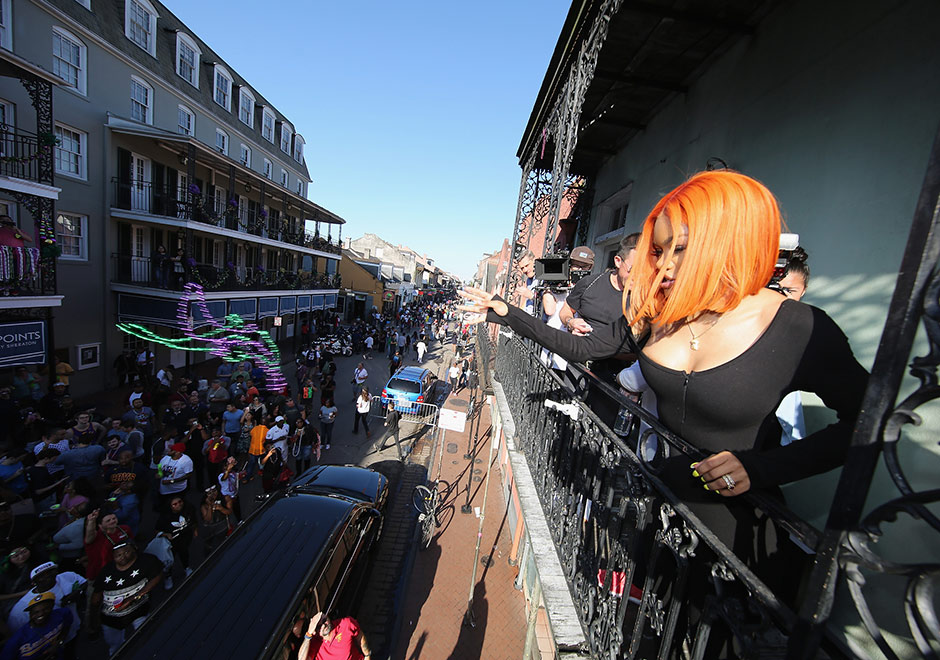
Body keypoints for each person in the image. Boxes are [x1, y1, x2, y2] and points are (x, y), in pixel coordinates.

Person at [458, 170, 868, 561]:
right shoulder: (657, 313)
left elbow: (870, 424)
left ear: (730, 242)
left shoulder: (798, 327)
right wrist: (505, 311)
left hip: (738, 545)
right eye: (659, 250)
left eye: (681, 248)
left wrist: (762, 468)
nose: (664, 265)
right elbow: (581, 348)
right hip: (653, 521)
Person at [88, 541, 162, 655]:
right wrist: (94, 619)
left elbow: (157, 576)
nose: (123, 556)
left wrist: (135, 597)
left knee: (145, 638)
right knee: (115, 646)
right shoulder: (107, 570)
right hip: (110, 618)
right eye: (118, 555)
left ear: (134, 550)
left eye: (126, 552)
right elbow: (96, 598)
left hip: (139, 611)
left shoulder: (146, 561)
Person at [6, 562, 85, 653]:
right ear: (33, 582)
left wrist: (77, 592)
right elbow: (15, 636)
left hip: (72, 632)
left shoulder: (67, 577)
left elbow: (84, 583)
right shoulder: (20, 609)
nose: (48, 576)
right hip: (44, 650)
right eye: (41, 576)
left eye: (50, 572)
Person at [1, 592, 72, 660]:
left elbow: (66, 626)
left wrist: (59, 643)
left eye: (45, 609)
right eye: (36, 612)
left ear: (52, 607)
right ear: (30, 614)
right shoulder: (18, 638)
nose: (40, 614)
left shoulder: (62, 614)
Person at [154, 495, 197, 587]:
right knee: (170, 560)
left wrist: (195, 530)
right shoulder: (165, 517)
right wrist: (166, 534)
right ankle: (168, 577)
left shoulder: (187, 510)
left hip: (184, 538)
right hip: (171, 542)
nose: (179, 505)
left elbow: (193, 520)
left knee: (184, 554)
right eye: (175, 504)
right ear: (170, 506)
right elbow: (157, 530)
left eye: (180, 502)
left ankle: (186, 568)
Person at [297, 611, 371, 660]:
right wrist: (308, 633)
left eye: (324, 620)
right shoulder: (314, 643)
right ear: (314, 631)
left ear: (327, 617)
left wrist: (367, 655)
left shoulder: (345, 624)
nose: (323, 626)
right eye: (318, 627)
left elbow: (360, 637)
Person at [83, 510, 132, 582]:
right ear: (100, 525)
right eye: (108, 521)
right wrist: (91, 521)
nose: (112, 521)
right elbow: (90, 534)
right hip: (100, 574)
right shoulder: (96, 537)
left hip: (124, 568)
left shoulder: (125, 529)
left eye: (114, 518)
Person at [199, 484, 232, 556]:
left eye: (214, 491)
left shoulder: (225, 498)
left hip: (222, 525)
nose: (212, 494)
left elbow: (229, 512)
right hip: (209, 528)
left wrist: (221, 508)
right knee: (208, 545)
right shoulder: (204, 505)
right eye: (209, 493)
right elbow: (208, 519)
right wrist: (210, 506)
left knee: (224, 543)